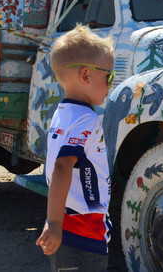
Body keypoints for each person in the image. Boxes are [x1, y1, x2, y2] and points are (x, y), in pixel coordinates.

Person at [36, 25, 115, 272]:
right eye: (109, 76)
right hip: (84, 232)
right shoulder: (87, 120)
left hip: (68, 227)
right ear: (86, 75)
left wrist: (54, 220)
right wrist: (55, 223)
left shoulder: (61, 114)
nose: (110, 84)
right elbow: (62, 167)